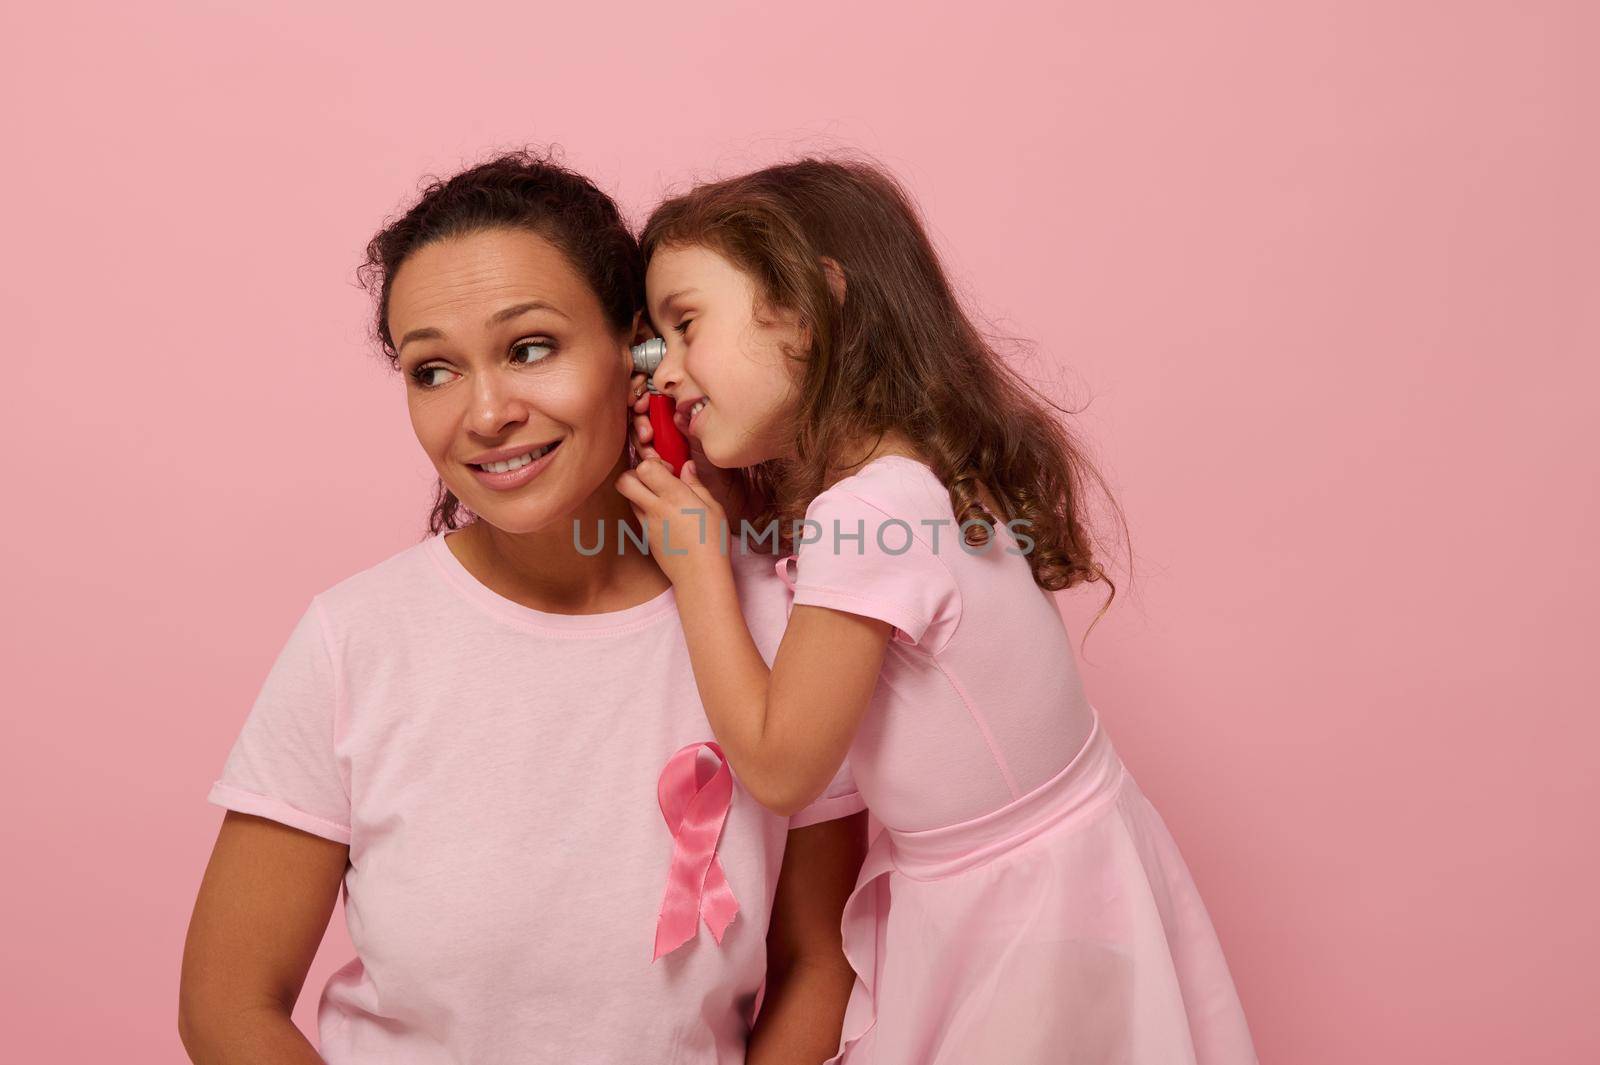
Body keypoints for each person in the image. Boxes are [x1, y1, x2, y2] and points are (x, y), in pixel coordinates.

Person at [178, 151, 867, 1065]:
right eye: (433, 371)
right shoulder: (357, 641)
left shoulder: (789, 623)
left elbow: (819, 962)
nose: (486, 411)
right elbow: (227, 1004)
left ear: (641, 356)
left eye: (529, 347)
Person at [616, 157, 1258, 1063]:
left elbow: (783, 765)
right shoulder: (902, 474)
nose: (666, 373)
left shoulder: (866, 509)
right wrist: (732, 513)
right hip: (1038, 889)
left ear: (814, 305)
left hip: (1015, 922)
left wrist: (699, 570)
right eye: (653, 350)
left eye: (685, 327)